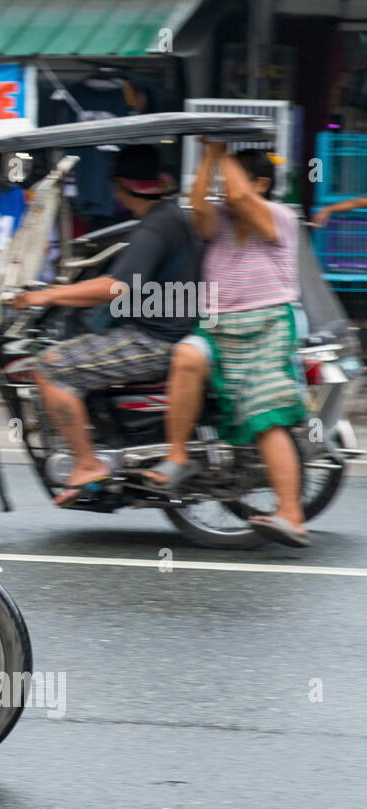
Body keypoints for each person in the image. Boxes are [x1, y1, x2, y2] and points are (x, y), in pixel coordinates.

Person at [9, 144, 201, 506]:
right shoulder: (171, 214)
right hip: (171, 330)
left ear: (119, 186)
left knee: (49, 368)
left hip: (154, 339)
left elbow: (115, 287)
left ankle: (86, 463)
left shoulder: (155, 227)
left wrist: (46, 296)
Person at [143, 144, 309, 547]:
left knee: (264, 415)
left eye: (234, 177)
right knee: (185, 356)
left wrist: (222, 158)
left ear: (261, 184)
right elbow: (199, 202)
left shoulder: (280, 217)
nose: (225, 192)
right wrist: (208, 155)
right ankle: (179, 454)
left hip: (267, 325)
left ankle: (291, 513)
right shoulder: (218, 221)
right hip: (217, 328)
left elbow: (237, 196)